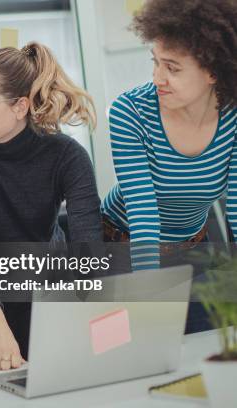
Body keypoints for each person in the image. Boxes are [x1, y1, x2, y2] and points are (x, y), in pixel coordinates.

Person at [0, 42, 102, 375]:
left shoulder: (68, 157)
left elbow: (88, 247)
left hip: (46, 298)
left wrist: (94, 312)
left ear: (20, 106)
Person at [100, 0, 237, 332]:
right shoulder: (129, 112)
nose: (158, 77)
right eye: (155, 62)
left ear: (213, 71)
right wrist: (148, 294)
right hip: (125, 244)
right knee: (145, 348)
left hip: (194, 245)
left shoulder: (232, 116)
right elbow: (143, 212)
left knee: (210, 344)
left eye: (172, 68)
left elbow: (235, 205)